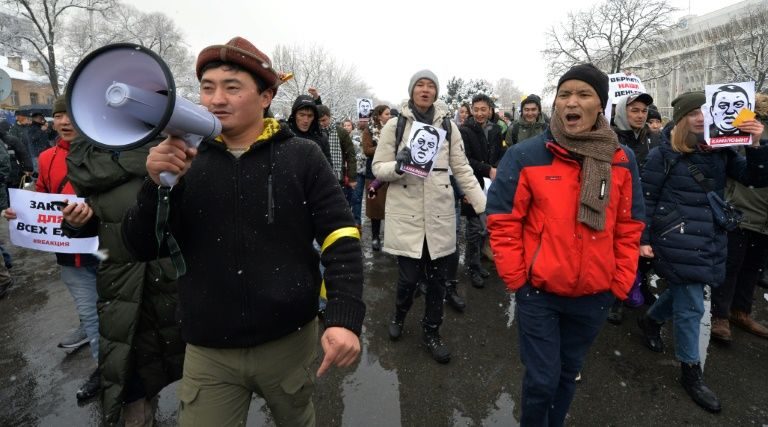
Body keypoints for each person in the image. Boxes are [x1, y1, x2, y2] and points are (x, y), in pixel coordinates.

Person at [122, 36, 365, 426]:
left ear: (266, 95)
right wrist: (158, 186)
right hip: (208, 348)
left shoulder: (302, 156)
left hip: (289, 339)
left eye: (232, 87)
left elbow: (341, 235)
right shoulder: (183, 159)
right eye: (207, 87)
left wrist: (344, 316)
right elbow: (139, 246)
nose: (216, 99)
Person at [487, 64, 645, 425]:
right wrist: (518, 281)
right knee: (542, 379)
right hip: (539, 294)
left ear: (600, 105)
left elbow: (630, 225)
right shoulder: (526, 155)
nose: (572, 101)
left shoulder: (622, 159)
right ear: (555, 103)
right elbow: (501, 220)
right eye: (564, 94)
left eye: (584, 94)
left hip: (595, 295)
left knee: (567, 374)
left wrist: (617, 284)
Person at [637, 91, 768, 413]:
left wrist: (755, 145)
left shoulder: (720, 151)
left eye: (705, 111)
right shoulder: (663, 153)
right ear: (681, 117)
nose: (700, 117)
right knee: (693, 303)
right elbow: (646, 198)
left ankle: (651, 321)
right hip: (674, 236)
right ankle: (690, 370)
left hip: (709, 234)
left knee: (687, 290)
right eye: (693, 112)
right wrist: (643, 237)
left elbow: (756, 177)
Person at [62, 102, 185, 422]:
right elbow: (94, 224)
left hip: (167, 281)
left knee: (173, 366)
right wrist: (76, 222)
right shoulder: (91, 164)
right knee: (129, 376)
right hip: (119, 284)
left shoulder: (173, 151)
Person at [372, 69, 485, 363]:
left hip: (439, 215)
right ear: (411, 91)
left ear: (436, 92)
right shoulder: (395, 126)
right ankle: (399, 314)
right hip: (407, 214)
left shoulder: (449, 125)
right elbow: (377, 168)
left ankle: (432, 331)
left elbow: (462, 169)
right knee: (408, 279)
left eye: (430, 86)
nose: (425, 90)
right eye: (419, 85)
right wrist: (397, 167)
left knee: (437, 282)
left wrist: (483, 206)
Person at [2, 96, 101, 399]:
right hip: (68, 255)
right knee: (91, 312)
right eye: (58, 116)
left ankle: (123, 372)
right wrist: (22, 211)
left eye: (71, 115)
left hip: (106, 252)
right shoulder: (46, 157)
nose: (64, 122)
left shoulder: (108, 154)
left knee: (113, 315)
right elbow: (42, 197)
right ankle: (105, 372)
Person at [710, 92, 768, 343]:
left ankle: (740, 312)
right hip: (741, 211)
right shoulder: (743, 124)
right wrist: (754, 143)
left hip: (765, 218)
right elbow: (744, 169)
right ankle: (720, 315)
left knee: (752, 269)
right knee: (731, 265)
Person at [607, 92, 660, 324]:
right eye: (634, 110)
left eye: (643, 111)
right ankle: (614, 298)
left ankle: (640, 283)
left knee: (645, 253)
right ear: (621, 112)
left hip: (647, 203)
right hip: (619, 206)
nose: (640, 115)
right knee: (618, 252)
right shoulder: (610, 139)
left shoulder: (655, 139)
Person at [459, 93, 502, 289]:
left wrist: (498, 167)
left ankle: (477, 262)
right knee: (474, 228)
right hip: (472, 183)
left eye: (483, 109)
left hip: (491, 184)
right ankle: (472, 267)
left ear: (490, 110)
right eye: (475, 109)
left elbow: (500, 154)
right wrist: (488, 169)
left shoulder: (495, 130)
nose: (479, 113)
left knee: (486, 225)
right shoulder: (465, 130)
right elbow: (464, 161)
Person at [362, 105, 392, 251]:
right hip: (374, 172)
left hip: (391, 172)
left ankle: (391, 238)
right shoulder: (369, 130)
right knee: (376, 207)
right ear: (379, 116)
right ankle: (375, 237)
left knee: (391, 206)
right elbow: (367, 150)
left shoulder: (393, 130)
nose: (390, 116)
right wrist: (383, 146)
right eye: (387, 114)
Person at [317, 105, 357, 206]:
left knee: (340, 206)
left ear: (329, 117)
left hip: (339, 176)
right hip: (320, 176)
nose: (322, 124)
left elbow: (351, 155)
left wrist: (352, 178)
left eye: (324, 120)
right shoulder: (316, 132)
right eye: (319, 121)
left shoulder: (341, 132)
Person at [288, 94, 332, 165]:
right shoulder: (285, 135)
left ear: (314, 117)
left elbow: (328, 168)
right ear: (294, 115)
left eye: (310, 116)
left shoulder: (322, 138)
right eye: (302, 115)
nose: (306, 120)